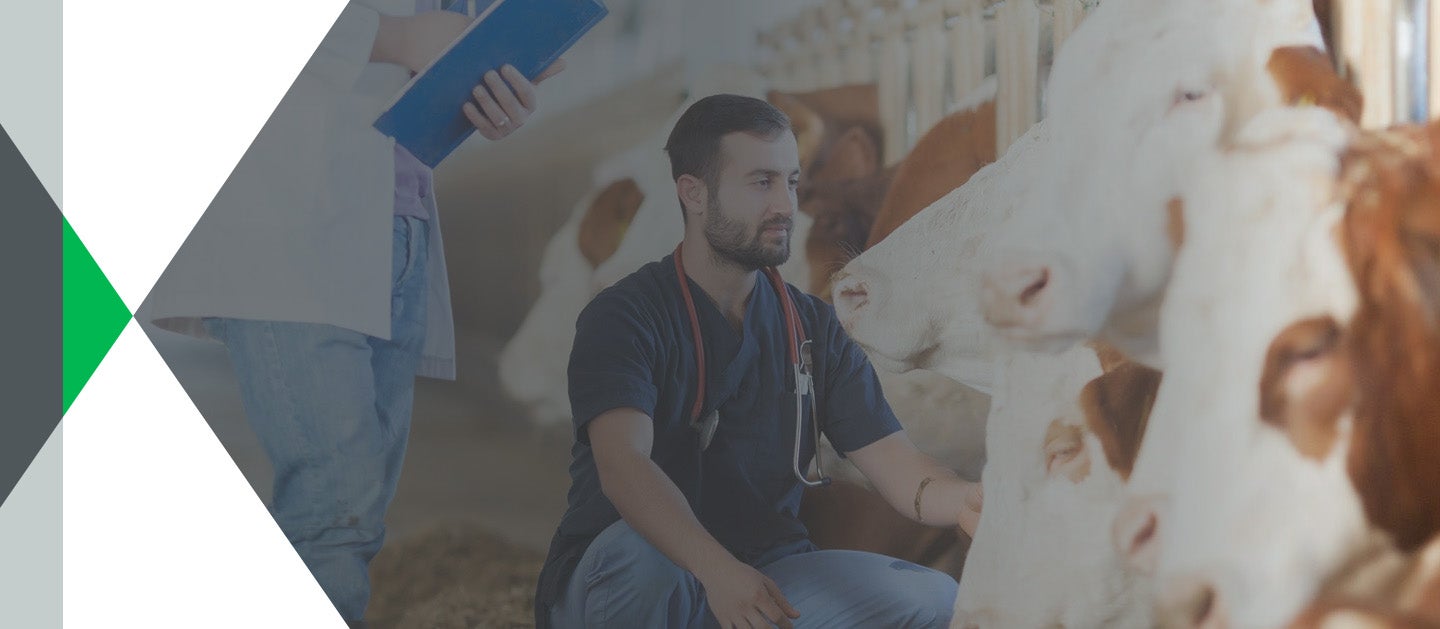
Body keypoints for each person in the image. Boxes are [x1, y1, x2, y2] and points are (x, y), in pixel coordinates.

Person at [143, 1, 564, 625]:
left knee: (354, 518)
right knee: (331, 510)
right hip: (288, 215)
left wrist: (491, 90)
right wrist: (398, 37)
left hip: (399, 220)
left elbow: (427, 59)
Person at [534, 94, 985, 629]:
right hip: (635, 582)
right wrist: (717, 571)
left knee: (931, 598)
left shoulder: (812, 328)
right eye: (761, 182)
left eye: (791, 182)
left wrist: (967, 500)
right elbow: (623, 468)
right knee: (646, 557)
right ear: (693, 193)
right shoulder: (624, 316)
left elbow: (901, 469)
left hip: (764, 574)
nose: (785, 205)